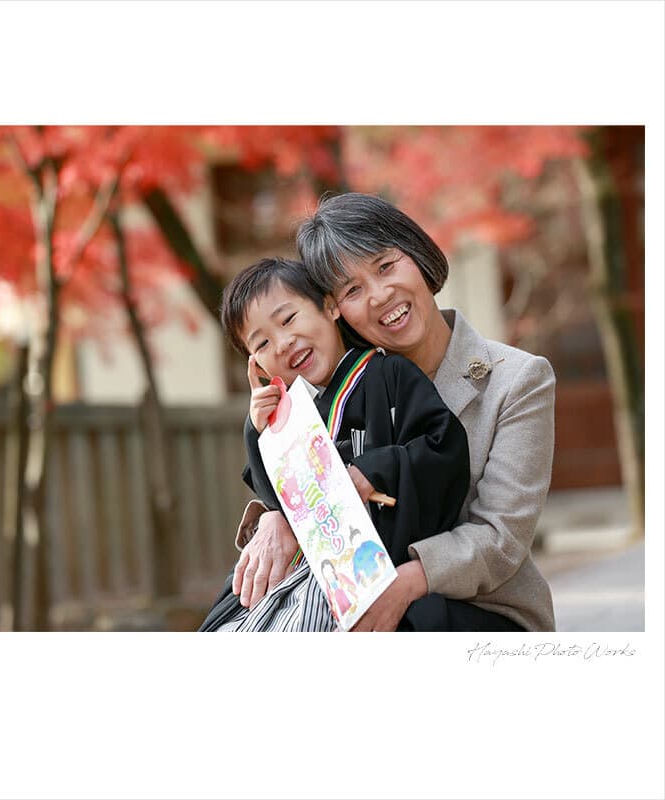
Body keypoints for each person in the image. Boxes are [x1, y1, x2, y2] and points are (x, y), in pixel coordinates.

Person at [227, 193, 557, 632]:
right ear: (334, 307)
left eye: (386, 266)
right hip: (349, 595)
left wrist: (405, 583)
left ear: (417, 256)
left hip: (477, 610)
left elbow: (500, 538)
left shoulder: (517, 380)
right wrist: (279, 516)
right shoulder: (329, 389)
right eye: (352, 290)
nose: (381, 296)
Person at [199, 257, 470, 632]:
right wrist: (261, 433)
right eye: (262, 343)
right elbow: (279, 506)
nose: (283, 342)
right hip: (302, 574)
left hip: (369, 570)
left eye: (288, 319)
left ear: (330, 306)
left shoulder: (388, 373)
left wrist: (372, 473)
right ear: (256, 364)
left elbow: (442, 446)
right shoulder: (288, 414)